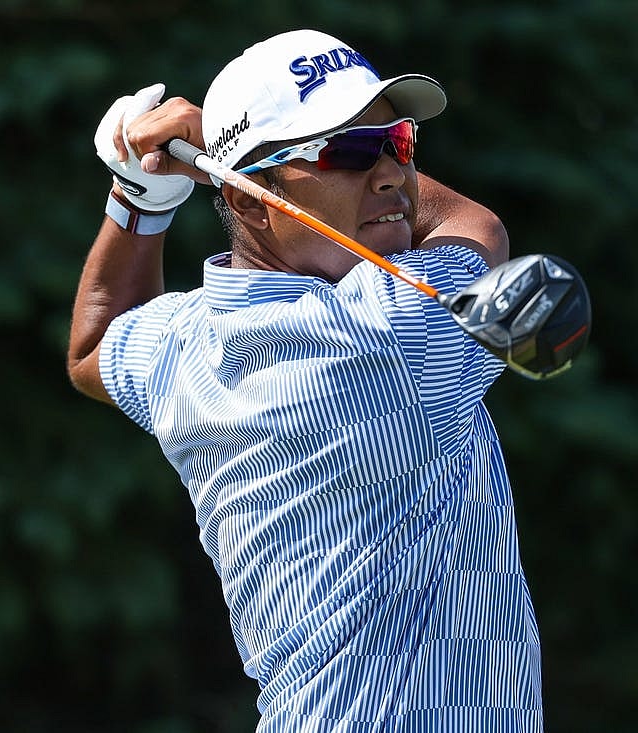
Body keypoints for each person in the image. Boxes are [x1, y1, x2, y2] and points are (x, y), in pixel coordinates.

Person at [68, 28, 543, 732]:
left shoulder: (188, 344)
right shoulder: (388, 337)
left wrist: (139, 200)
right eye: (348, 151)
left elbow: (96, 341)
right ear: (255, 200)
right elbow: (478, 227)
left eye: (400, 143)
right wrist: (214, 166)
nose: (392, 176)